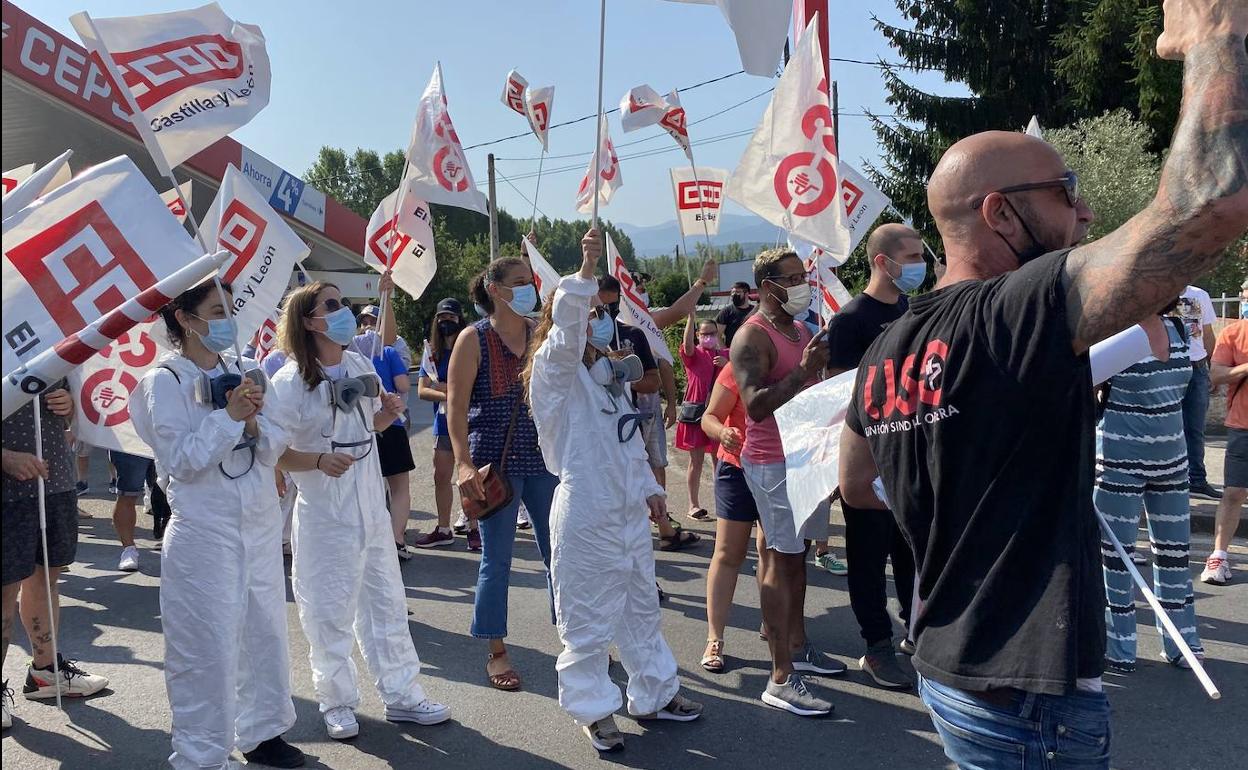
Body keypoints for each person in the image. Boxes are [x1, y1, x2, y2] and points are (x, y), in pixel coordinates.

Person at [838, 7, 1247, 764]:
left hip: (951, 667)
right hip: (1027, 701)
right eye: (1066, 189)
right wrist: (1215, 33)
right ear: (999, 212)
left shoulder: (886, 349)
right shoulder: (1013, 311)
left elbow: (859, 487)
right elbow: (1209, 205)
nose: (1085, 209)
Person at [526, 228, 703, 752]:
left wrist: (649, 487)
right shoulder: (553, 374)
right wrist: (582, 274)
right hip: (585, 509)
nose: (601, 318)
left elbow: (625, 440)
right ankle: (594, 710)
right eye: (591, 311)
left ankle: (655, 692)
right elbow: (565, 339)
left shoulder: (607, 373)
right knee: (586, 616)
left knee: (640, 606)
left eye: (604, 311)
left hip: (625, 507)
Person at [129, 282, 303, 769]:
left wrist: (254, 423)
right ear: (185, 319)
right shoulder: (164, 381)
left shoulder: (242, 369)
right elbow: (182, 461)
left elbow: (274, 447)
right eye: (215, 311)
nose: (227, 321)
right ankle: (201, 754)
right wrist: (228, 418)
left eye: (229, 309)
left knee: (265, 634)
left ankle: (263, 731)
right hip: (205, 533)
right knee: (206, 647)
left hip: (258, 526)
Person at [270, 280, 449, 740]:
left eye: (343, 303)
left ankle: (403, 694)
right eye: (332, 305)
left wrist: (388, 414)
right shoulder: (289, 383)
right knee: (327, 611)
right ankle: (337, 701)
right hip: (325, 515)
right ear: (309, 321)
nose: (343, 312)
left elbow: (369, 424)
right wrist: (317, 461)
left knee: (386, 604)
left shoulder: (359, 364)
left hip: (370, 509)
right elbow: (273, 451)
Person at [732, 248, 844, 717]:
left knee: (798, 560)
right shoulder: (750, 336)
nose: (803, 284)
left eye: (803, 276)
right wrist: (804, 370)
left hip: (805, 459)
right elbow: (756, 406)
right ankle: (779, 677)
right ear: (767, 286)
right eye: (793, 278)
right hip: (772, 463)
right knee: (779, 559)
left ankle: (798, 646)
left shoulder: (799, 329)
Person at [448, 256, 558, 691]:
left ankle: (576, 639)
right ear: (494, 289)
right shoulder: (472, 338)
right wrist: (462, 462)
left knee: (559, 554)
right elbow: (456, 407)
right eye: (519, 282)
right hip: (492, 466)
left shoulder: (540, 332)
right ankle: (497, 651)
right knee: (496, 560)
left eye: (530, 281)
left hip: (543, 459)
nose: (529, 288)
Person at [823, 223, 923, 690]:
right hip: (868, 463)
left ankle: (915, 633)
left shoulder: (909, 308)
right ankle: (876, 647)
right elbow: (842, 395)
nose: (920, 265)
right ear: (883, 262)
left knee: (911, 553)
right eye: (913, 256)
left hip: (909, 457)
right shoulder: (850, 320)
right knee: (867, 557)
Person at [1094, 303, 1204, 673]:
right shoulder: (1113, 331)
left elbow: (1190, 392)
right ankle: (1119, 645)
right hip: (1118, 460)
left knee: (1176, 555)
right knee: (1115, 558)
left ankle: (1181, 642)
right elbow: (1081, 389)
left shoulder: (1181, 330)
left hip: (1173, 461)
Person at [2, 387, 109, 731]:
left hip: (55, 482)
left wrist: (72, 406)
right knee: (4, 590)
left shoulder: (54, 356)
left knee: (46, 577)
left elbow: (88, 409)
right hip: (7, 491)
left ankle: (45, 673)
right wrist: (4, 456)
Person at [697, 361, 760, 673]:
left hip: (782, 469)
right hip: (737, 468)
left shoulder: (799, 359)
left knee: (773, 553)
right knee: (728, 554)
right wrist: (723, 432)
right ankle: (715, 638)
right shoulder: (739, 365)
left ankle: (776, 625)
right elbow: (708, 418)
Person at [413, 298, 468, 549]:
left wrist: (446, 389)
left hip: (470, 421)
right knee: (441, 476)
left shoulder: (468, 347)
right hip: (443, 423)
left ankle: (474, 527)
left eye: (451, 317)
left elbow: (475, 388)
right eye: (442, 318)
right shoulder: (431, 353)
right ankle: (444, 528)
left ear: (460, 319)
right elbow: (422, 391)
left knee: (469, 476)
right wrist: (448, 392)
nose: (447, 322)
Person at [1204, 281, 1248, 585]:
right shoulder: (1233, 333)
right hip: (1242, 425)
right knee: (1234, 492)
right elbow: (1216, 374)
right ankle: (1219, 556)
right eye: (1244, 297)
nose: (1245, 302)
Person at [677, 315, 726, 521]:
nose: (708, 337)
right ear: (698, 335)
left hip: (717, 414)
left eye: (712, 334)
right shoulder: (694, 354)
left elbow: (741, 370)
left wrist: (727, 364)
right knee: (696, 461)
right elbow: (687, 346)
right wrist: (690, 317)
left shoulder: (724, 355)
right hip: (696, 414)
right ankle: (693, 505)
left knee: (719, 461)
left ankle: (724, 506)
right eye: (704, 334)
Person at [370, 342, 416, 559]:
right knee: (399, 488)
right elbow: (403, 385)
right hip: (391, 423)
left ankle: (374, 540)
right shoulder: (387, 352)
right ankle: (397, 539)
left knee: (369, 488)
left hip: (361, 430)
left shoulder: (348, 353)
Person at [1177, 284, 1222, 499]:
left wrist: (1212, 366)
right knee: (1168, 427)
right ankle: (1170, 478)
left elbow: (1208, 334)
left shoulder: (1199, 295)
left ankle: (1196, 479)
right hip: (1170, 367)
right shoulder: (1160, 291)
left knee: (1195, 428)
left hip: (1197, 367)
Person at [108, 448, 173, 570]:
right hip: (131, 443)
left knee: (176, 494)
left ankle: (173, 544)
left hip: (169, 440)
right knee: (127, 494)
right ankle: (129, 550)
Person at [716, 281, 755, 348]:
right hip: (733, 351)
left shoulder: (755, 311)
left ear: (746, 294)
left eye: (738, 292)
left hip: (753, 350)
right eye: (733, 292)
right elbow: (717, 334)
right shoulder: (726, 312)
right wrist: (725, 351)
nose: (734, 294)